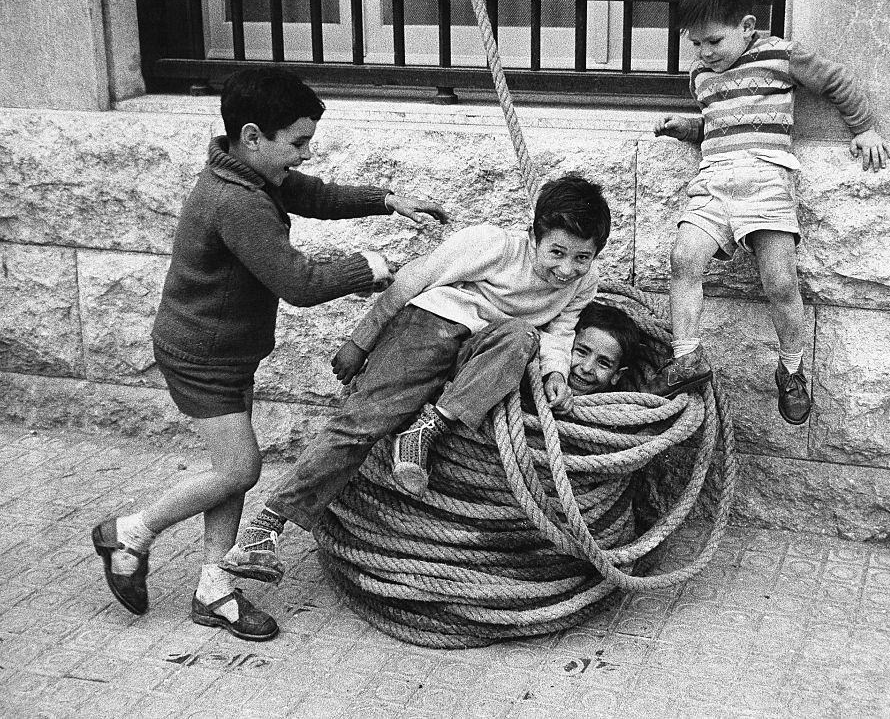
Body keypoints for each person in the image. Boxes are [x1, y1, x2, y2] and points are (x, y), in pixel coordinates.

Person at [91, 69, 447, 642]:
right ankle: (129, 532)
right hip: (200, 356)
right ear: (253, 137)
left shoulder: (252, 177)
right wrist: (369, 268)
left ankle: (214, 588)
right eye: (298, 143)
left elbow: (313, 194)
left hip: (228, 352)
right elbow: (298, 282)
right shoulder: (237, 203)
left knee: (233, 473)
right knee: (240, 468)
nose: (304, 156)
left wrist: (388, 199)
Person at [220, 175, 612, 586]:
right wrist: (361, 340)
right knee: (364, 421)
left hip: (479, 352)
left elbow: (560, 332)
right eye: (557, 252)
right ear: (534, 235)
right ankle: (264, 529)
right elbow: (411, 280)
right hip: (431, 325)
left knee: (522, 336)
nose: (567, 269)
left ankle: (426, 428)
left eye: (581, 258)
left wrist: (555, 372)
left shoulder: (585, 282)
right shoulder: (492, 244)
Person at [650, 0, 890, 426]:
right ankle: (687, 355)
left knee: (779, 280)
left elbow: (834, 80)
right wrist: (690, 129)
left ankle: (792, 368)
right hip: (715, 178)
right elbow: (722, 125)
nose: (704, 53)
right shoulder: (701, 75)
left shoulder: (780, 54)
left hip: (766, 179)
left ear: (746, 27)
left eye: (714, 42)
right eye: (695, 43)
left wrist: (864, 129)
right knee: (683, 258)